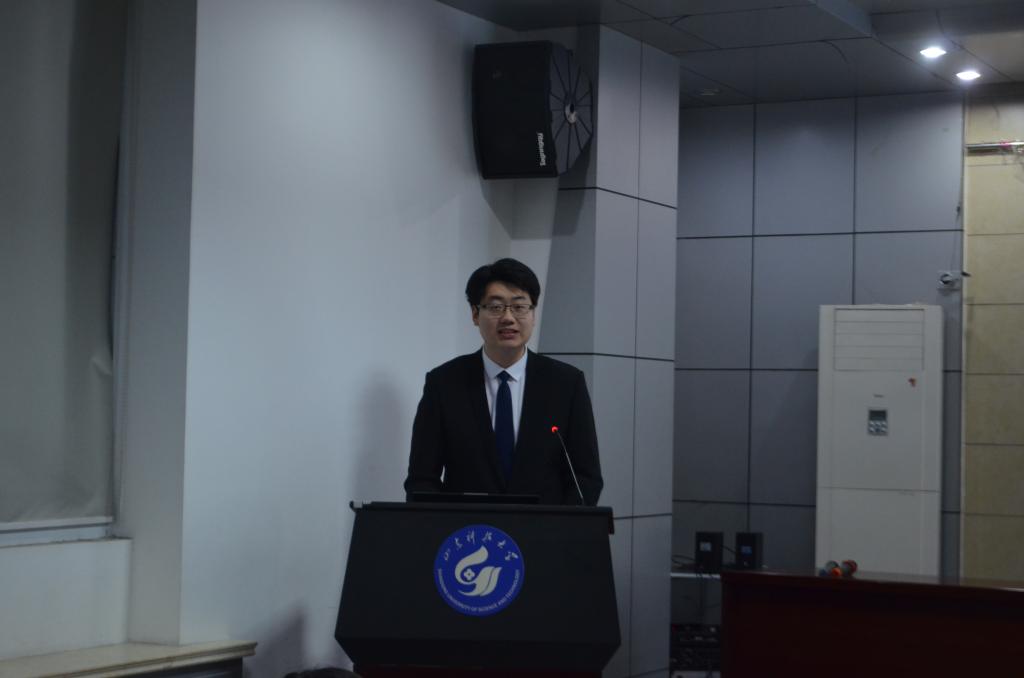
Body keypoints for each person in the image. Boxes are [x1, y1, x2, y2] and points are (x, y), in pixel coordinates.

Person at [404, 258, 602, 505]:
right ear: (475, 314)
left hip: (544, 527)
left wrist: (562, 525)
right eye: (496, 307)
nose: (508, 318)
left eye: (519, 307)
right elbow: (422, 479)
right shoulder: (444, 383)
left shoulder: (566, 384)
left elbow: (585, 477)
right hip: (469, 527)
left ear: (533, 313)